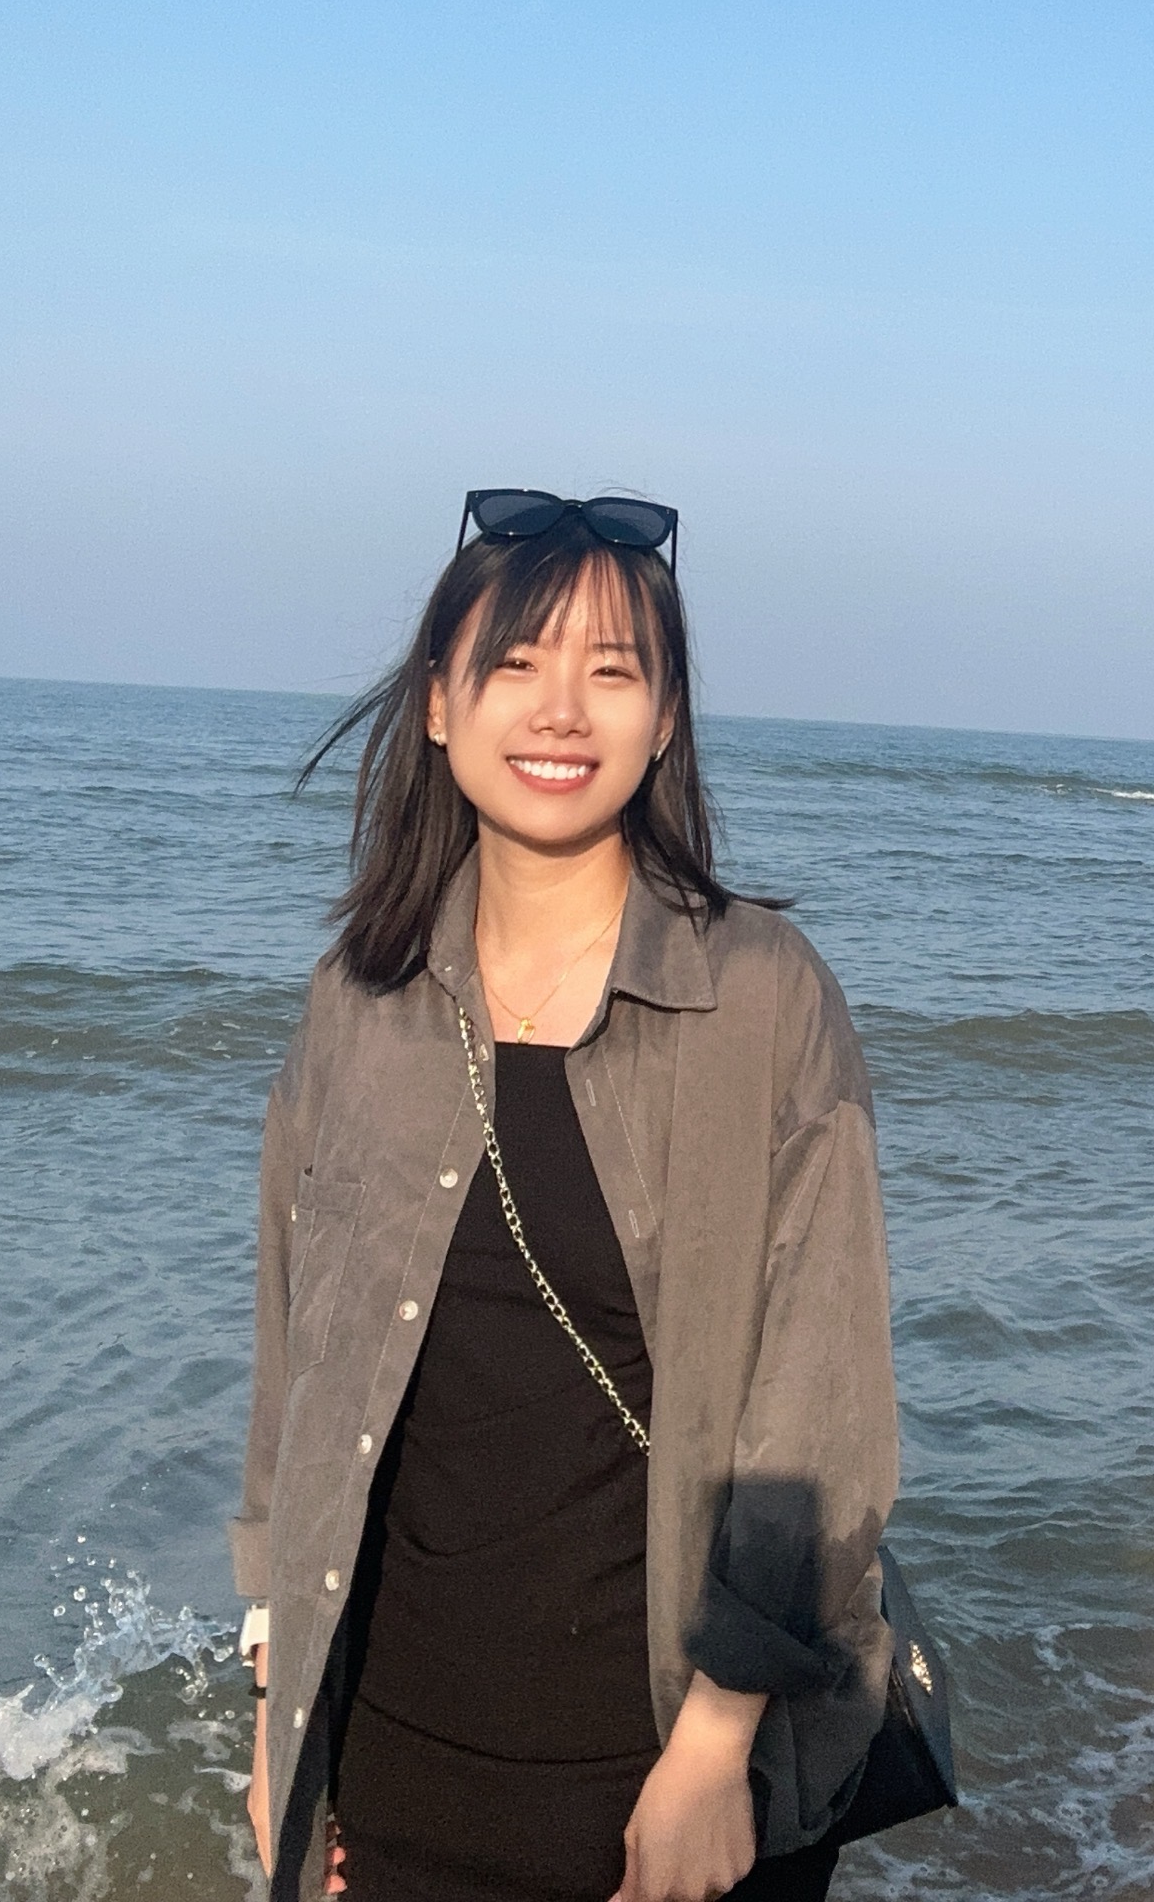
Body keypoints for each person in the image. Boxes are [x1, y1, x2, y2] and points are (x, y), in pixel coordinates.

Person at [232, 491, 899, 1902]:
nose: (560, 711)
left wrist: (714, 1750)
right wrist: (279, 1698)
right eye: (517, 663)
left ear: (665, 721)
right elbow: (299, 1359)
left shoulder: (762, 997)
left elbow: (821, 1406)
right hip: (392, 1763)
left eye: (612, 670)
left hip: (656, 1777)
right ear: (439, 703)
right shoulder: (360, 999)